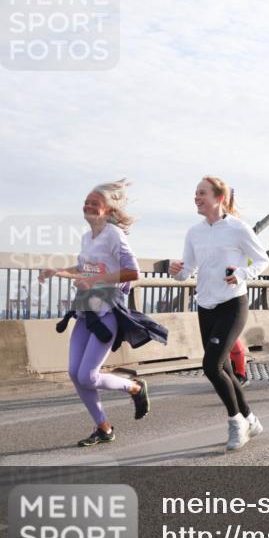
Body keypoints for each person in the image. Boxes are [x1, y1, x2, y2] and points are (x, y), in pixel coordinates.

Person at [39, 179, 166, 446]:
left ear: (107, 210)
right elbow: (86, 269)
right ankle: (104, 428)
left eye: (94, 203)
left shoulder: (113, 234)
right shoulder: (88, 237)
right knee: (75, 374)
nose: (88, 206)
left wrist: (96, 281)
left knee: (88, 376)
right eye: (86, 202)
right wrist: (57, 272)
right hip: (87, 312)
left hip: (108, 312)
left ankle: (134, 387)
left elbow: (133, 272)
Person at [170, 175, 269, 451]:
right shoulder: (194, 232)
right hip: (206, 305)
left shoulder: (238, 229)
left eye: (201, 193)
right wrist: (177, 272)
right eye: (195, 193)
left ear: (219, 198)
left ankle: (236, 422)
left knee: (211, 366)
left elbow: (262, 260)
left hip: (232, 304)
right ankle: (250, 418)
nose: (196, 197)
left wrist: (242, 273)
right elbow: (188, 270)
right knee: (223, 367)